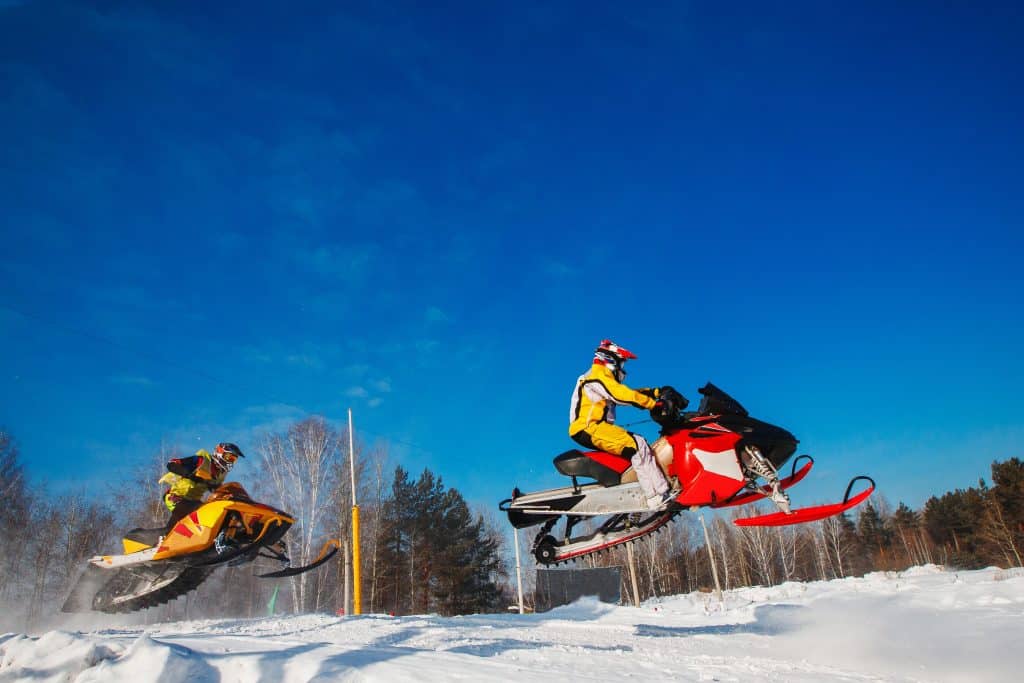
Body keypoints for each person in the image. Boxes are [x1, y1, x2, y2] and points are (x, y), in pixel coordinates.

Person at [568, 340, 675, 509]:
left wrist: (655, 392)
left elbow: (628, 392)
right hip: (588, 428)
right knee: (636, 445)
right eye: (622, 363)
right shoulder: (597, 376)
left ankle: (659, 490)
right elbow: (620, 394)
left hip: (594, 427)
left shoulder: (600, 377)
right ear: (611, 360)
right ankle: (656, 496)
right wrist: (654, 404)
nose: (623, 369)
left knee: (639, 443)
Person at [159, 442, 244, 529]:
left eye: (233, 459)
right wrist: (189, 474)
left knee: (211, 512)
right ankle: (165, 536)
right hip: (175, 496)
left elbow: (218, 490)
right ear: (219, 452)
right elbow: (171, 464)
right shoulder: (201, 460)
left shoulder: (220, 474)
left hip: (194, 502)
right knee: (184, 507)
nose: (230, 461)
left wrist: (229, 495)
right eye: (229, 457)